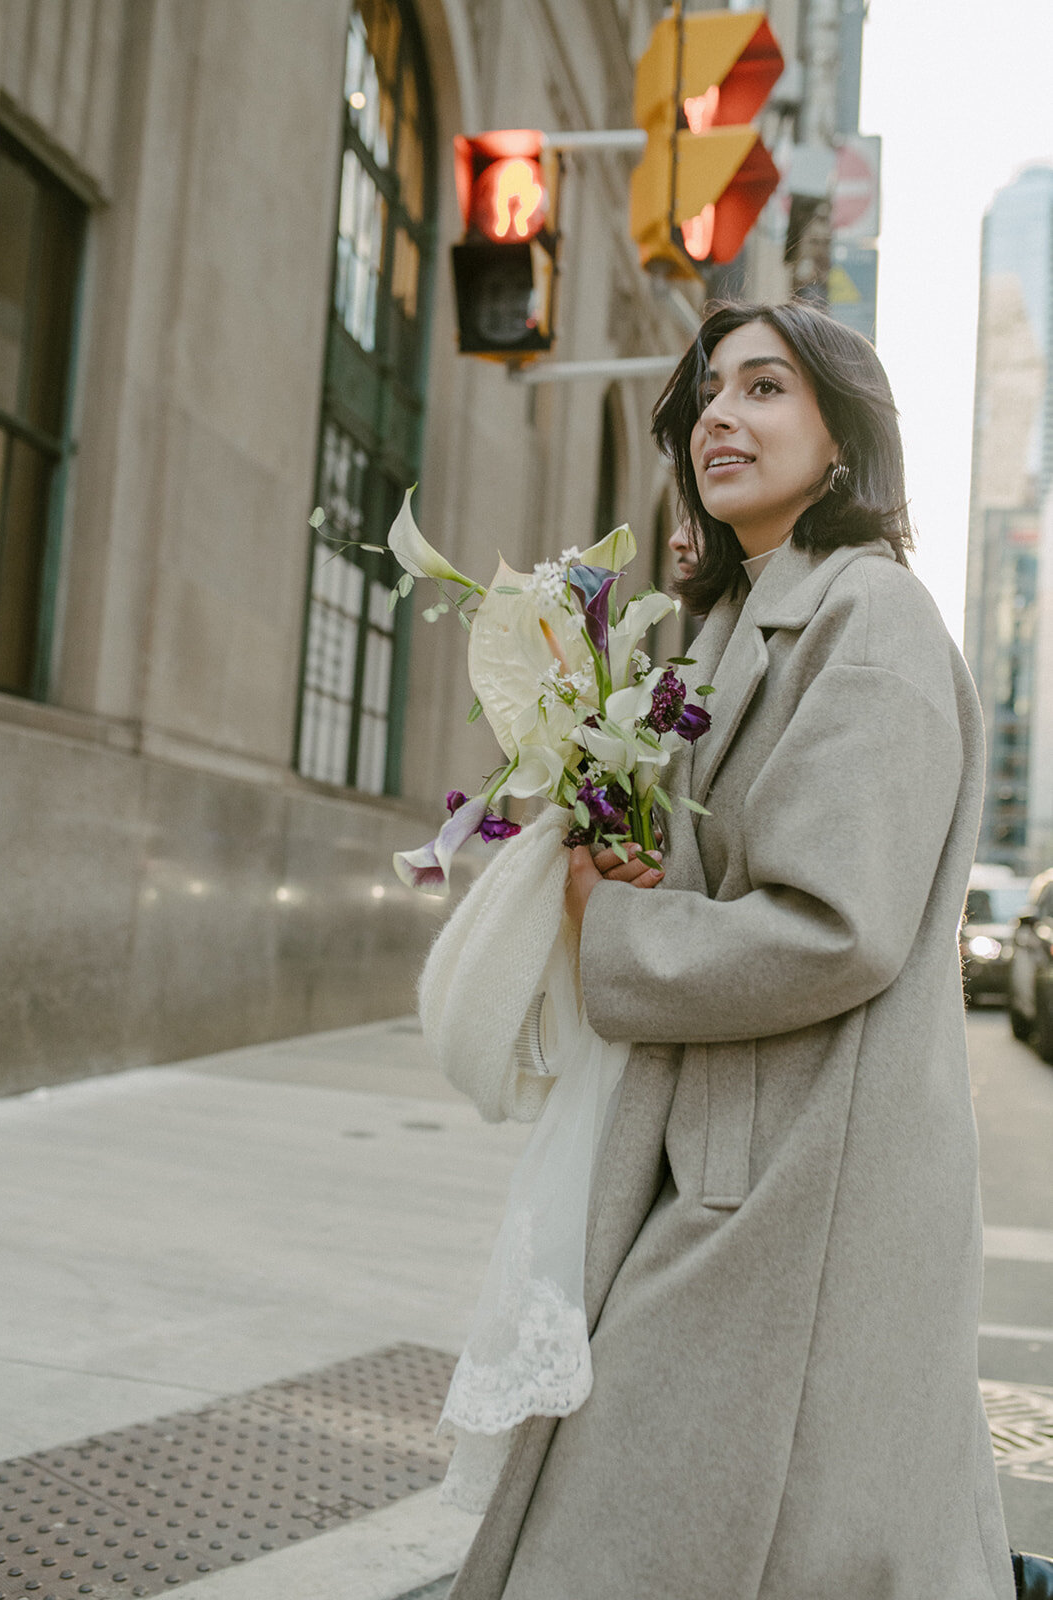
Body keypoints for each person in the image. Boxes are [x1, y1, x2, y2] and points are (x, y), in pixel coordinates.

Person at [446, 301, 1042, 1600]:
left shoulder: (868, 619)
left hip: (795, 1188)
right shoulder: (733, 628)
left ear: (847, 436)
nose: (721, 415)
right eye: (709, 394)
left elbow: (836, 926)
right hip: (732, 1159)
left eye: (766, 388)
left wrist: (617, 925)